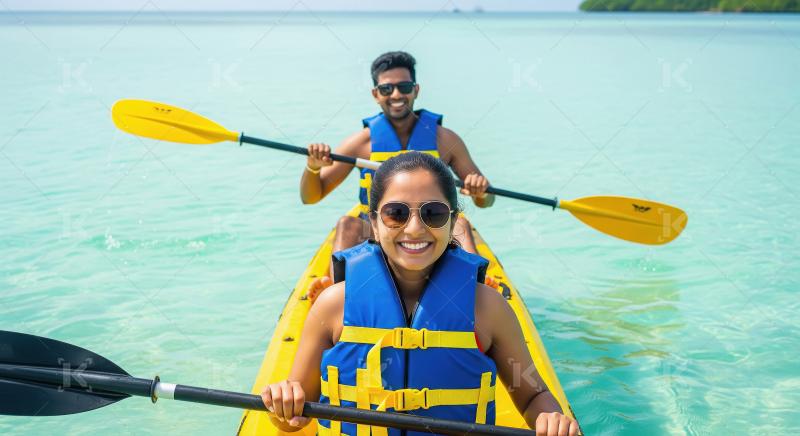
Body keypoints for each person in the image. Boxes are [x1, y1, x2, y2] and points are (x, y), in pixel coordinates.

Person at [263, 152, 579, 436]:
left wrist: (552, 419)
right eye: (396, 213)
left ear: (454, 221)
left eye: (434, 214)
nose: (414, 228)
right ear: (373, 222)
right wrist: (283, 404)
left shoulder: (487, 308)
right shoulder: (333, 305)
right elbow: (295, 418)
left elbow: (533, 396)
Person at [301, 51, 495, 300]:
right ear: (375, 94)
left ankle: (477, 288)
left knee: (460, 223)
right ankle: (335, 292)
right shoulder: (362, 143)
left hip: (430, 225)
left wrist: (480, 192)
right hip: (379, 227)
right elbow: (310, 197)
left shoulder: (445, 140)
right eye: (386, 89)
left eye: (403, 87)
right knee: (347, 224)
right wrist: (313, 167)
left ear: (415, 90)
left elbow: (486, 201)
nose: (396, 95)